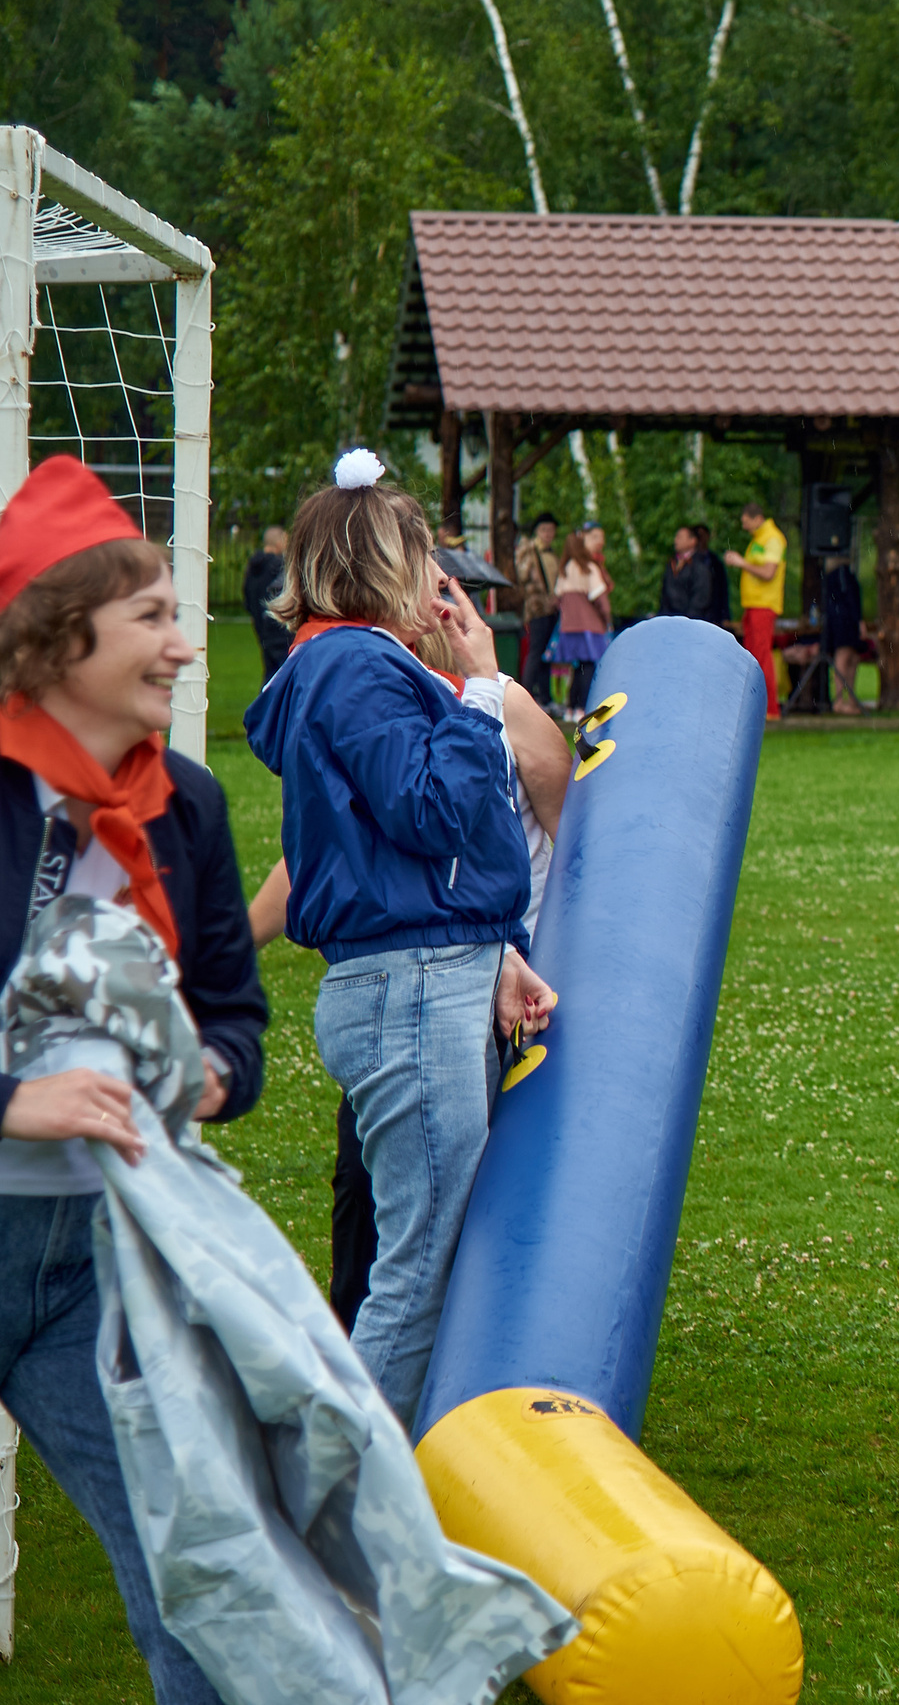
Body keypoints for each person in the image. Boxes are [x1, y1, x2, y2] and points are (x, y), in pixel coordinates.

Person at [0, 454, 268, 1704]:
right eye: (154, 615)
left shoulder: (192, 810)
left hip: (100, 1256)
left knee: (202, 1581)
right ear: (62, 637)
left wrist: (207, 1074)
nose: (183, 644)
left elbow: (236, 1014)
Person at [243, 448, 557, 1431]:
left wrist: (493, 948)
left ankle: (383, 1482)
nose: (439, 585)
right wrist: (480, 690)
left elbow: (394, 852)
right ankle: (352, 1503)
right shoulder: (353, 667)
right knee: (416, 1264)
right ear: (380, 566)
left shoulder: (342, 666)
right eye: (425, 560)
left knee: (415, 1252)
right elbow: (434, 809)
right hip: (409, 993)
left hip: (428, 974)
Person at [724, 501, 787, 720]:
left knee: (761, 655)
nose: (744, 526)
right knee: (751, 655)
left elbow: (769, 572)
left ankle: (771, 709)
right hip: (752, 605)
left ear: (757, 518)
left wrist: (742, 563)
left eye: (746, 521)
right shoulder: (758, 540)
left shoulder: (772, 538)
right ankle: (755, 706)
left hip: (764, 605)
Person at [547, 525, 614, 719]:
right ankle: (584, 707)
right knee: (589, 667)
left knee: (577, 668)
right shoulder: (589, 568)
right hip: (590, 628)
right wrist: (607, 619)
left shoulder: (566, 568)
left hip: (569, 628)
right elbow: (600, 598)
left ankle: (571, 707)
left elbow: (557, 597)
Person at [511, 511, 563, 704]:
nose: (548, 534)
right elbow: (522, 577)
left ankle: (544, 697)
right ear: (536, 532)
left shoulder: (552, 554)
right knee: (535, 651)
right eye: (543, 530)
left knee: (545, 653)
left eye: (551, 530)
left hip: (552, 608)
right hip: (537, 608)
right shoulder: (530, 551)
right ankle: (526, 695)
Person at [821, 551, 870, 715]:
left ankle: (850, 698)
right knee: (843, 657)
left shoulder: (837, 575)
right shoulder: (841, 574)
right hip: (844, 621)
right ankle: (840, 700)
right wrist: (859, 621)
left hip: (842, 621)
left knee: (852, 657)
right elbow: (850, 599)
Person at [242, 523, 293, 679]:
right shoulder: (278, 567)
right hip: (281, 630)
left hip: (261, 630)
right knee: (284, 678)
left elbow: (247, 599)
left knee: (271, 676)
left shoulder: (252, 568)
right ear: (279, 543)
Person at [659, 523, 729, 627]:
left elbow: (701, 597)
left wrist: (688, 620)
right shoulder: (671, 563)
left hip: (691, 622)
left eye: (680, 537)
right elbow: (665, 594)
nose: (675, 540)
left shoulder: (701, 565)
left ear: (692, 541)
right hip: (670, 621)